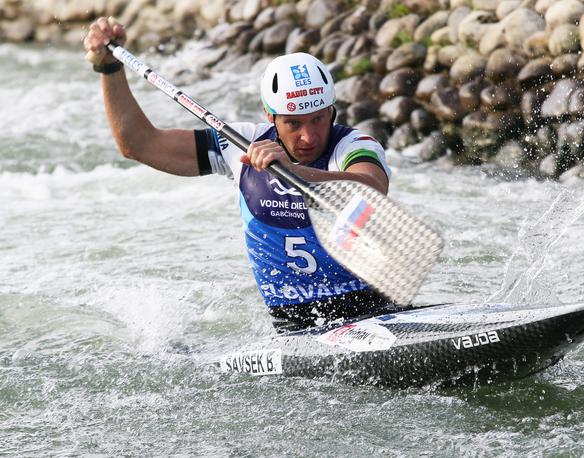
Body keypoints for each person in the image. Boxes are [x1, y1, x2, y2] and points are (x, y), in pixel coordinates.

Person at [84, 17, 396, 331]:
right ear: (270, 116)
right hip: (294, 326)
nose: (309, 137)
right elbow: (139, 144)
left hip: (372, 308)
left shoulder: (354, 145)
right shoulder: (241, 144)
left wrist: (295, 172)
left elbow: (371, 189)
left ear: (332, 111)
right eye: (293, 123)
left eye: (318, 119)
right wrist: (110, 70)